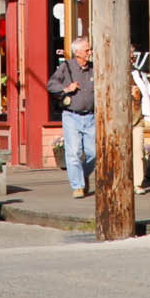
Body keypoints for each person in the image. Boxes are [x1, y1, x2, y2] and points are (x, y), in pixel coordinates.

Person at [48, 38, 96, 198]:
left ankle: (81, 176)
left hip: (91, 116)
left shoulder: (93, 69)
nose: (90, 53)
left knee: (94, 153)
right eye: (87, 50)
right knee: (73, 152)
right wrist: (66, 88)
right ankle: (77, 186)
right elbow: (51, 85)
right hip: (71, 116)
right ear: (77, 52)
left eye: (90, 50)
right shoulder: (66, 67)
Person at [131, 50, 150, 190]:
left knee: (138, 151)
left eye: (133, 57)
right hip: (120, 120)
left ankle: (137, 183)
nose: (132, 60)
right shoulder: (114, 73)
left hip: (138, 119)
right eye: (129, 57)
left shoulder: (139, 74)